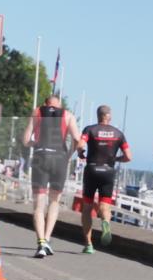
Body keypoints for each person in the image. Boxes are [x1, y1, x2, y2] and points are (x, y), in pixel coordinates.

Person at [22, 94, 82, 258]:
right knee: (55, 201)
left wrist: (36, 144)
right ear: (59, 105)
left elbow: (25, 140)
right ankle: (47, 239)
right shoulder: (68, 115)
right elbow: (77, 139)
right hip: (59, 158)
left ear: (45, 103)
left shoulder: (37, 112)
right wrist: (69, 154)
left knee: (39, 204)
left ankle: (41, 242)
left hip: (41, 157)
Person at [77, 105, 132, 254]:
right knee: (105, 206)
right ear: (109, 116)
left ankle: (88, 244)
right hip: (108, 170)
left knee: (87, 208)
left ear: (98, 115)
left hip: (92, 169)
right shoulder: (118, 133)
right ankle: (106, 222)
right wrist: (116, 158)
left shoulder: (89, 129)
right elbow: (128, 156)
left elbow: (81, 144)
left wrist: (81, 153)